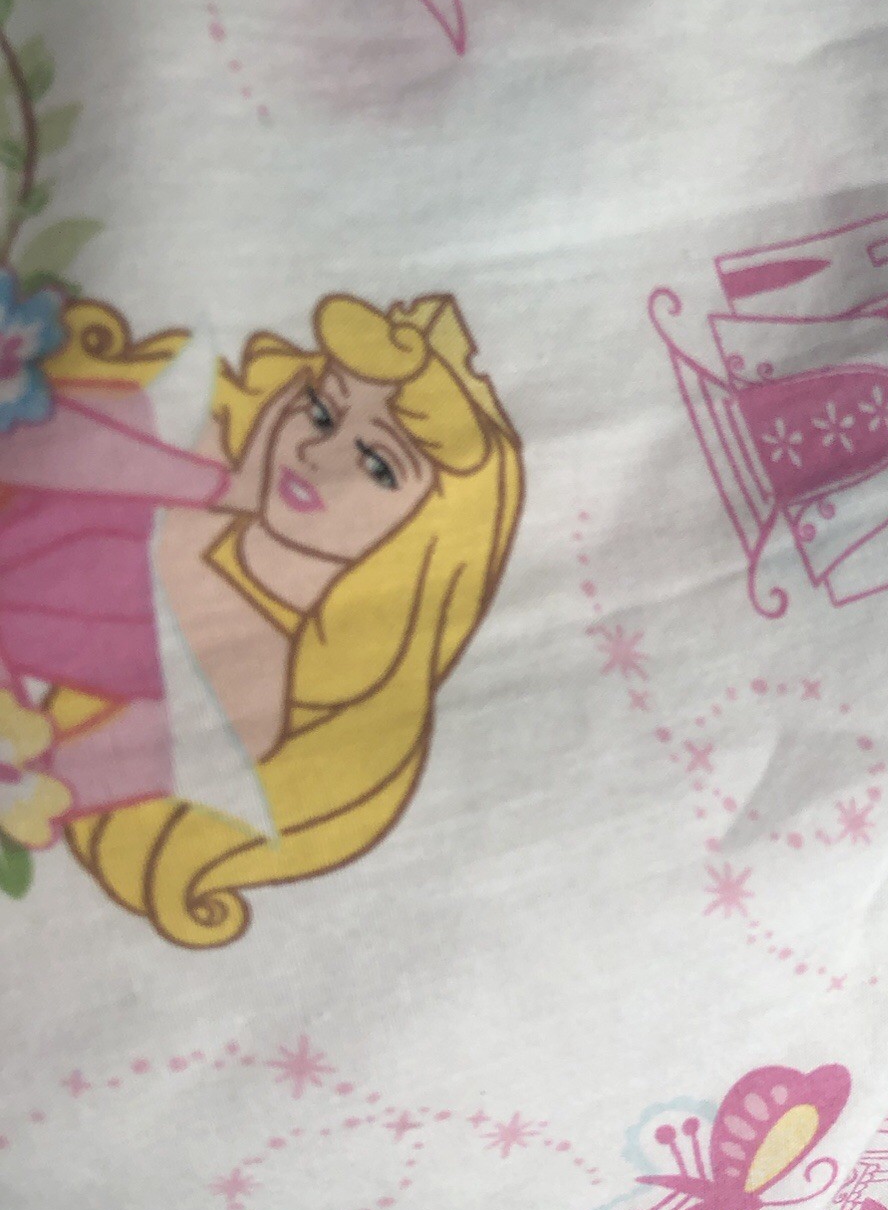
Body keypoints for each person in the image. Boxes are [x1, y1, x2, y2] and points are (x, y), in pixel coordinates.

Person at [0, 290, 523, 947]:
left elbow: (43, 786)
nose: (319, 457)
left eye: (377, 465)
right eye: (321, 411)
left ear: (427, 533)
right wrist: (211, 487)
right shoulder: (180, 459)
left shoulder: (250, 681)